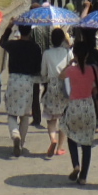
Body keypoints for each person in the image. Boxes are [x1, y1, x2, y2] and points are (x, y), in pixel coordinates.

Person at [0, 23, 42, 157]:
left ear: (19, 31)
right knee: (25, 115)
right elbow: (37, 68)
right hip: (28, 82)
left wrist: (9, 27)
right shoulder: (35, 48)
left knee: (12, 114)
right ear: (30, 32)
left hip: (13, 80)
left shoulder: (13, 45)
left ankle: (14, 134)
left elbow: (2, 42)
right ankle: (21, 143)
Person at [62, 37, 98, 184]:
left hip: (74, 106)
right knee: (87, 143)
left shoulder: (71, 70)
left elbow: (60, 75)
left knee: (71, 136)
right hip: (88, 106)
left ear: (76, 55)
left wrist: (70, 63)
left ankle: (76, 165)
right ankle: (83, 176)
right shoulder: (93, 69)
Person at [39, 28, 71, 158]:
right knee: (63, 118)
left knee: (51, 119)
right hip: (65, 86)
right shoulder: (68, 53)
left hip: (51, 86)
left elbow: (43, 73)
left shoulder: (47, 53)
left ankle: (53, 138)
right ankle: (60, 148)